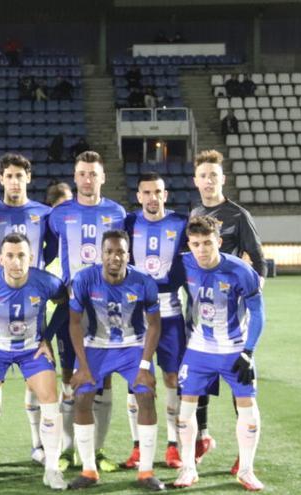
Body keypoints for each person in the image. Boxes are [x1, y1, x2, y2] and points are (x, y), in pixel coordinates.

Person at [0, 233, 68, 490]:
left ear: (30, 257)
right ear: (1, 260)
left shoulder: (47, 282)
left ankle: (52, 468)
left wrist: (47, 337)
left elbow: (64, 304)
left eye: (21, 256)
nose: (16, 262)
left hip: (32, 350)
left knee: (50, 399)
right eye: (10, 256)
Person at [66, 230, 165, 491]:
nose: (114, 257)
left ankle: (146, 471)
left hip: (133, 346)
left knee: (145, 396)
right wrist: (83, 366)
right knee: (82, 397)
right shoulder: (84, 279)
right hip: (95, 345)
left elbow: (154, 326)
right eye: (109, 252)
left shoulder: (144, 282)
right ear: (101, 255)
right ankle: (89, 469)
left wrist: (144, 366)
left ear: (127, 255)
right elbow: (74, 323)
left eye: (120, 252)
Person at [46, 151, 126, 472]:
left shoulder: (117, 213)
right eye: (82, 173)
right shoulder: (59, 214)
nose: (88, 179)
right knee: (70, 378)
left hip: (106, 308)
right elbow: (45, 249)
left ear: (102, 177)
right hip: (71, 308)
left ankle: (98, 449)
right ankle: (68, 450)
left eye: (94, 173)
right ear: (75, 177)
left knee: (103, 380)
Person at [172, 216, 265, 491]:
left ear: (219, 242)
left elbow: (258, 312)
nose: (202, 249)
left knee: (248, 407)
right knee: (185, 410)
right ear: (189, 244)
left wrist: (248, 352)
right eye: (196, 244)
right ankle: (188, 469)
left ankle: (246, 470)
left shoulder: (240, 270)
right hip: (199, 349)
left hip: (235, 350)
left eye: (208, 243)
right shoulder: (184, 263)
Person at [189, 149, 267, 473]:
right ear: (196, 181)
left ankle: (243, 455)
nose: (209, 181)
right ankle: (202, 437)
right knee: (200, 378)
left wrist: (251, 298)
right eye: (203, 176)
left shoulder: (238, 215)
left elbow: (259, 260)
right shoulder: (194, 212)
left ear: (223, 179)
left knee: (240, 381)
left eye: (214, 175)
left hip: (233, 317)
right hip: (201, 312)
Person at [0, 153, 55, 465]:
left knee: (35, 376)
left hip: (33, 304)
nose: (14, 181)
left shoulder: (44, 214)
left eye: (19, 176)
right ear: (0, 179)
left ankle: (38, 445)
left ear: (28, 178)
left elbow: (53, 250)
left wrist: (35, 280)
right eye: (8, 176)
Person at [121, 173, 188, 470]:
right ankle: (138, 447)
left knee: (172, 379)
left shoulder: (181, 223)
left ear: (165, 194)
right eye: (146, 192)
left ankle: (174, 445)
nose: (152, 197)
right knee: (135, 380)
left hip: (171, 314)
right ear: (138, 196)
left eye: (157, 192)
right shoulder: (128, 223)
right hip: (135, 315)